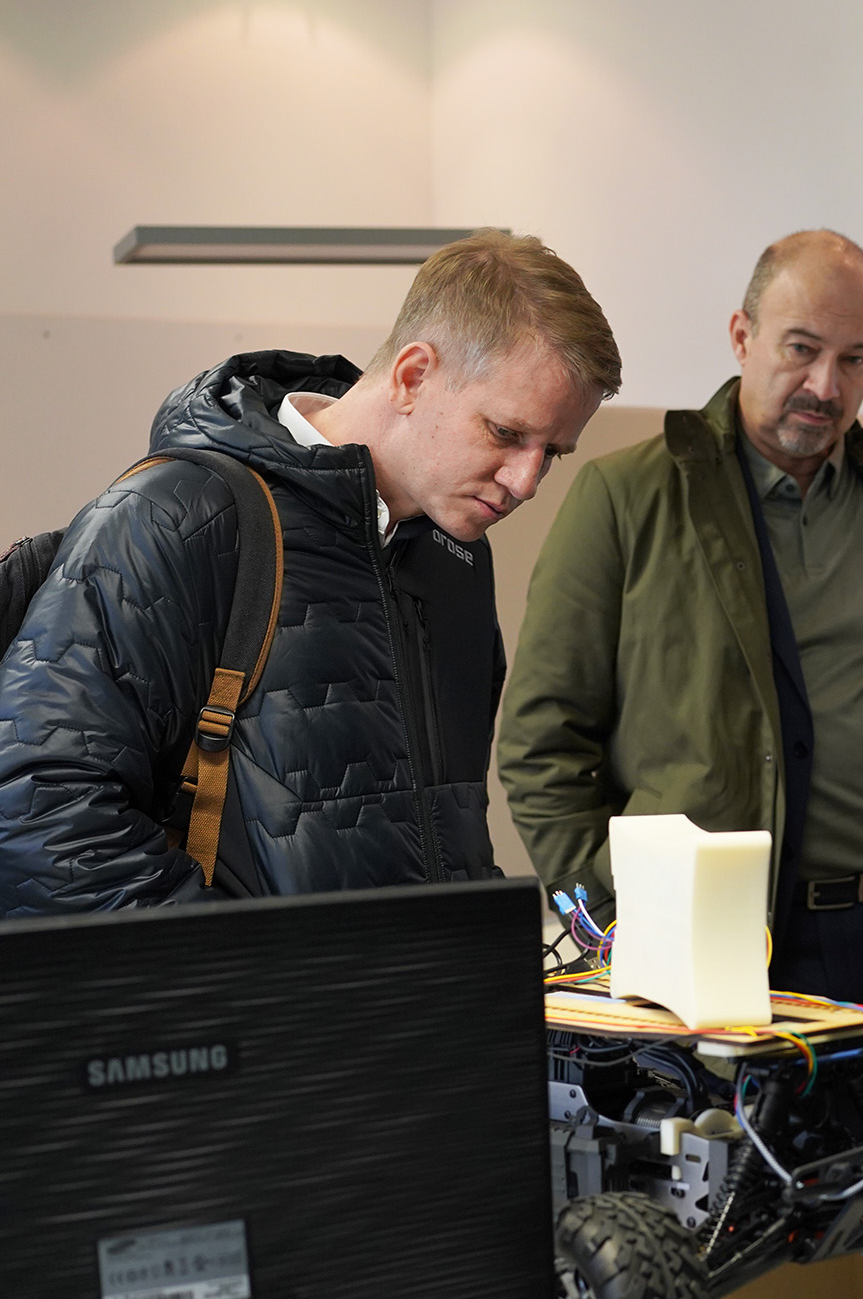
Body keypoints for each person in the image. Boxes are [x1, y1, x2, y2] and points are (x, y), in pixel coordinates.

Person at [498, 230, 863, 1105]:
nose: (827, 385)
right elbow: (539, 743)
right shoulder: (626, 500)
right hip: (716, 956)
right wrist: (618, 916)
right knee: (732, 1222)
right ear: (742, 337)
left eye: (856, 359)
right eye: (803, 349)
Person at [0, 229, 619, 911]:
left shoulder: (455, 553)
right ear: (414, 376)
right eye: (506, 433)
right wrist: (258, 979)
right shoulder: (177, 516)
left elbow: (445, 833)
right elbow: (35, 807)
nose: (526, 480)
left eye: (552, 452)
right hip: (251, 1009)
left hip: (408, 1010)